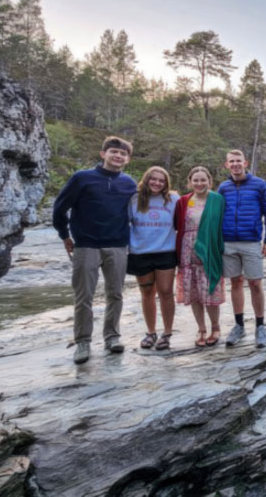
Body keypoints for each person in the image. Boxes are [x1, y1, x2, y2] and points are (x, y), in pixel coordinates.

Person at [52, 136, 137, 364]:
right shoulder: (82, 178)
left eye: (122, 154)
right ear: (103, 154)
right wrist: (64, 235)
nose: (118, 156)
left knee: (116, 294)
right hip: (86, 245)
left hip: (117, 246)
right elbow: (60, 207)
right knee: (84, 297)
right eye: (113, 152)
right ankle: (82, 342)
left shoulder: (129, 183)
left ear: (127, 159)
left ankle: (112, 337)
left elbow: (140, 211)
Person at [218, 149, 266, 349]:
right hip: (228, 243)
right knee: (235, 283)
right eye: (231, 161)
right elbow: (215, 214)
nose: (235, 164)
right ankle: (239, 325)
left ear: (245, 163)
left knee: (255, 284)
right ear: (226, 165)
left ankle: (260, 326)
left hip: (251, 242)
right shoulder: (223, 187)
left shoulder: (260, 185)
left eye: (238, 161)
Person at [174, 166, 226, 347]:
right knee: (195, 292)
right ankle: (201, 329)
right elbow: (176, 225)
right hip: (188, 252)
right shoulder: (183, 201)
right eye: (195, 180)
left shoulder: (217, 200)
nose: (199, 183)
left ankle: (216, 327)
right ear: (190, 182)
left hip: (210, 251)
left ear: (209, 182)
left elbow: (222, 225)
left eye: (203, 180)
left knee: (210, 290)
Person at [127, 166, 178, 350]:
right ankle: (150, 332)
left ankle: (167, 333)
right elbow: (124, 223)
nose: (157, 183)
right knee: (147, 293)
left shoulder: (173, 199)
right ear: (146, 179)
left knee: (166, 291)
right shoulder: (134, 199)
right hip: (140, 252)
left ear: (166, 183)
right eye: (153, 179)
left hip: (166, 251)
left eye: (161, 180)